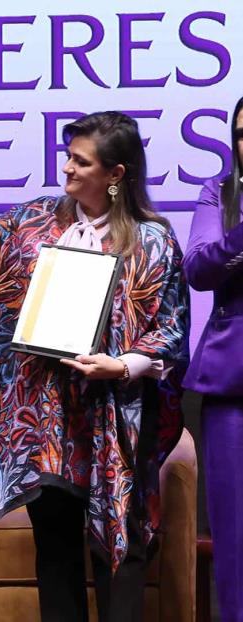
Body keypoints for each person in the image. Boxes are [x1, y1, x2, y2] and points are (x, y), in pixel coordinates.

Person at [0, 111, 189, 622]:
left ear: (116, 174)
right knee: (54, 548)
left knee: (119, 546)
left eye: (81, 161)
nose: (68, 169)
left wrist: (121, 365)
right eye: (68, 157)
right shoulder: (35, 221)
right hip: (46, 418)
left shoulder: (153, 241)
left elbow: (169, 332)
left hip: (116, 416)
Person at [183, 95, 243, 622]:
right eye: (242, 133)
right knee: (235, 533)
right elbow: (199, 268)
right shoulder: (220, 194)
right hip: (234, 385)